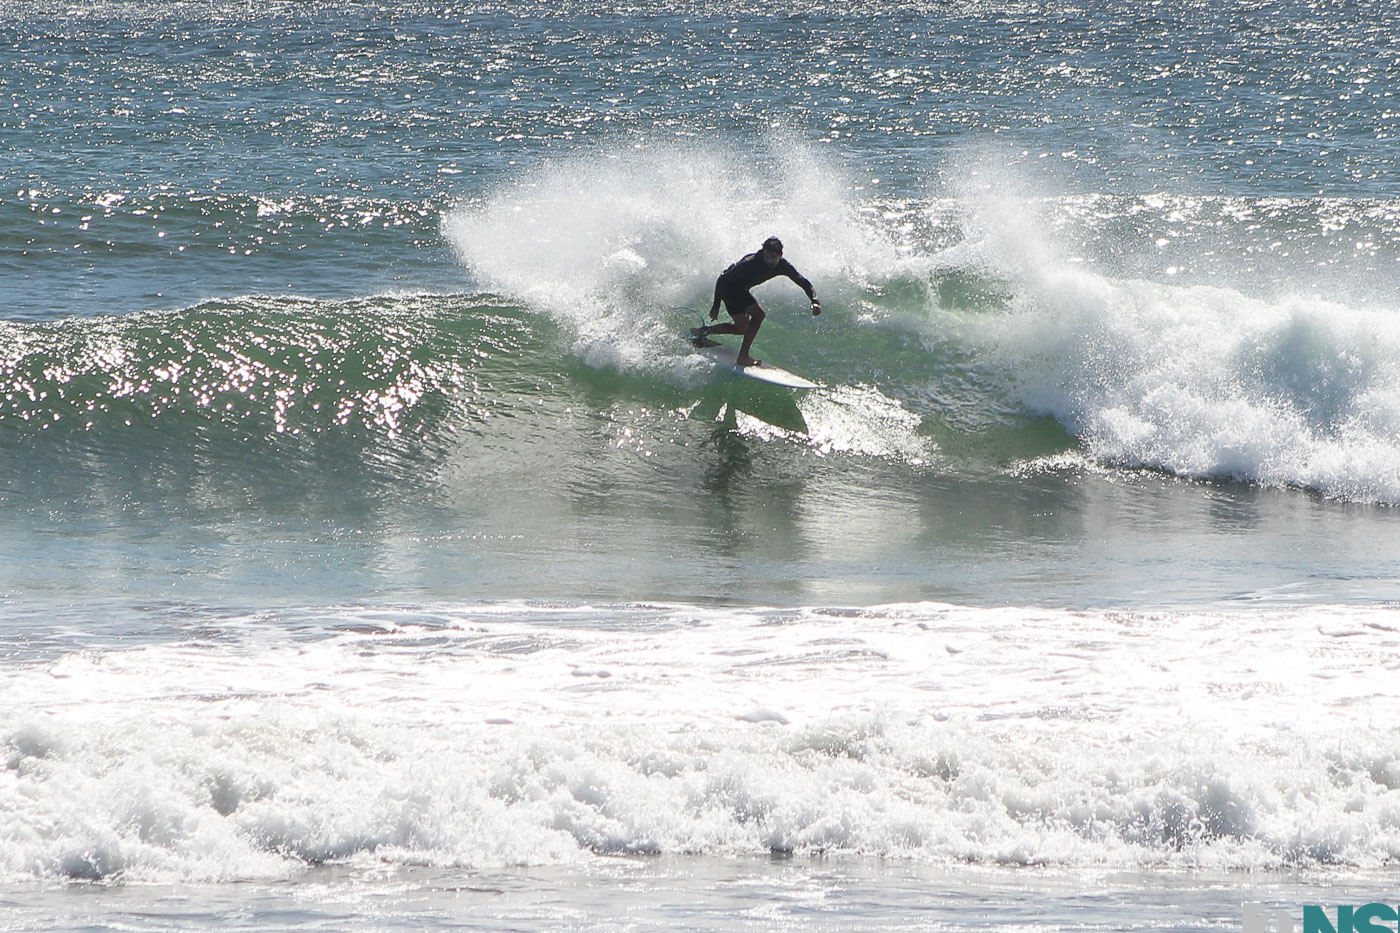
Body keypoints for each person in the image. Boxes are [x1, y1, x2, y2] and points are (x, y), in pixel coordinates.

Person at [692, 236, 820, 367]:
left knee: (742, 328)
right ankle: (743, 357)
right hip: (730, 289)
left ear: (780, 255)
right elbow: (722, 279)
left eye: (772, 258)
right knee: (759, 314)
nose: (768, 261)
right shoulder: (751, 262)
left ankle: (703, 331)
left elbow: (802, 281)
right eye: (766, 256)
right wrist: (716, 306)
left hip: (740, 291)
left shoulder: (783, 266)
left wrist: (814, 300)